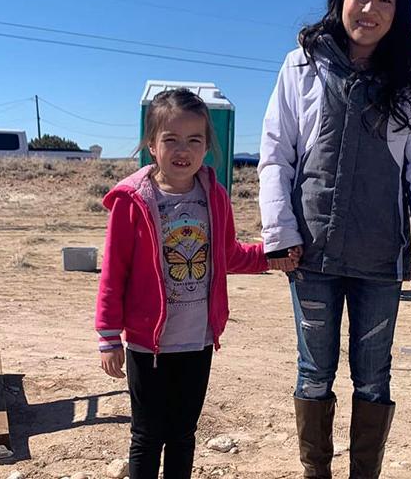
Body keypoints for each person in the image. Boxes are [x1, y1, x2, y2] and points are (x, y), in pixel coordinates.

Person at [258, 0, 411, 479]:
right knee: (314, 372)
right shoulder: (302, 66)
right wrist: (279, 232)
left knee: (373, 378)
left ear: (400, 11)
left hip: (379, 261)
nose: (370, 9)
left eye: (385, 0)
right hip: (311, 255)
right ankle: (315, 472)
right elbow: (276, 155)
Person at [95, 88, 297, 479]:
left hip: (197, 339)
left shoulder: (214, 197)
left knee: (184, 433)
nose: (182, 149)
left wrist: (272, 258)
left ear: (207, 147)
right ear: (152, 145)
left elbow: (229, 255)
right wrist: (107, 336)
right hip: (145, 343)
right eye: (170, 139)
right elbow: (113, 273)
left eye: (194, 140)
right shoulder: (132, 201)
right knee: (147, 434)